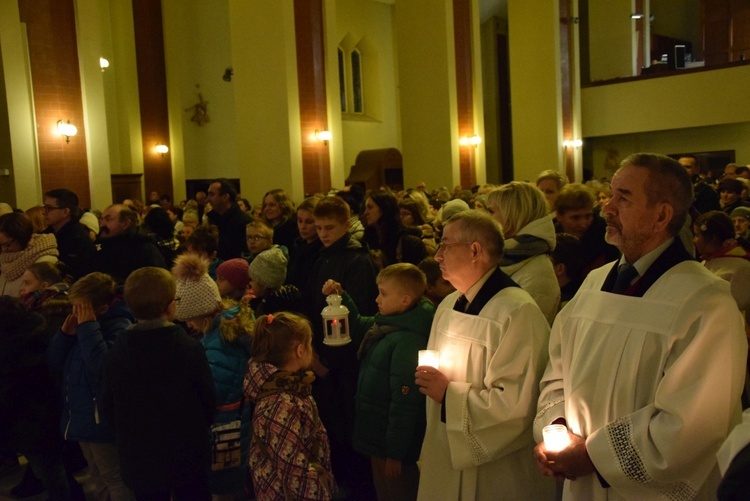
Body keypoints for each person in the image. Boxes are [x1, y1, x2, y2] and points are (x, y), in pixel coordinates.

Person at [534, 153, 748, 499]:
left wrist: (592, 455)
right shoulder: (593, 284)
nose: (607, 208)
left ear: (661, 215)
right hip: (582, 484)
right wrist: (557, 427)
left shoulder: (704, 302)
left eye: (623, 198)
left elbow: (691, 425)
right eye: (610, 195)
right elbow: (556, 373)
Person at [414, 210, 554, 500]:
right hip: (444, 449)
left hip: (495, 471)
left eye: (445, 245)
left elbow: (518, 404)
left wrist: (449, 395)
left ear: (475, 250)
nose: (437, 255)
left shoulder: (517, 311)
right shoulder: (449, 303)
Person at [323, 263, 435, 501]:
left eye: (383, 293)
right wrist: (341, 297)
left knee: (397, 492)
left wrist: (396, 453)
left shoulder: (407, 340)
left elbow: (405, 403)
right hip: (378, 438)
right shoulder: (388, 324)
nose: (376, 299)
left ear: (405, 300)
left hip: (391, 448)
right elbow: (359, 323)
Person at [101, 267, 215, 500]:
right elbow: (207, 400)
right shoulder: (188, 348)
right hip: (187, 453)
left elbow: (107, 406)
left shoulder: (116, 352)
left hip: (139, 456)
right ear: (172, 307)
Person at [305, 195, 378, 498]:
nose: (322, 233)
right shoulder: (323, 255)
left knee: (346, 428)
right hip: (324, 353)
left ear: (346, 225)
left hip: (343, 361)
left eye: (329, 227)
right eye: (318, 227)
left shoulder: (356, 260)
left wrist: (327, 363)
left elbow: (356, 315)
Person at [46, 272, 135, 501]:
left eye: (80, 309)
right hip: (82, 415)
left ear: (103, 309)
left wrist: (87, 328)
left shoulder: (119, 326)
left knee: (114, 477)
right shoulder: (81, 328)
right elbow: (54, 363)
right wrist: (65, 335)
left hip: (101, 419)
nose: (75, 314)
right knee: (97, 475)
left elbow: (102, 368)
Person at [172, 254, 253, 499]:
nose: (189, 326)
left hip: (229, 430)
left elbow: (214, 393)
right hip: (235, 425)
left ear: (203, 313)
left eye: (190, 320)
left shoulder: (219, 344)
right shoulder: (229, 323)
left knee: (230, 491)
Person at [244, 313, 334, 500]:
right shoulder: (281, 404)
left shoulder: (290, 389)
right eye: (310, 344)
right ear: (300, 350)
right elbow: (294, 469)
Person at [0, 297, 74, 500]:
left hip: (30, 420)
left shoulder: (15, 349)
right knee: (51, 469)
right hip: (44, 416)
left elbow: (11, 390)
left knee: (50, 471)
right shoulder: (41, 335)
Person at [487, 182, 560, 324]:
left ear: (513, 215)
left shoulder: (538, 270)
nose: (486, 219)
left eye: (491, 212)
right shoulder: (505, 254)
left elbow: (526, 330)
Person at [693, 211, 750, 322]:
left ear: (712, 238)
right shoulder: (708, 261)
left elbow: (732, 310)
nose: (694, 240)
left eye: (697, 235)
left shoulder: (742, 268)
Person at [554, 183, 619, 279]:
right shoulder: (551, 236)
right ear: (559, 216)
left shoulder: (604, 234)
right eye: (575, 217)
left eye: (588, 216)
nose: (583, 223)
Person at [93, 204, 166, 283]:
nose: (102, 224)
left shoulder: (144, 249)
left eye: (108, 219)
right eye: (102, 219)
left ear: (125, 223)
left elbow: (157, 284)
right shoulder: (101, 246)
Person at [0, 212, 59, 297]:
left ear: (21, 237)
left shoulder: (44, 261)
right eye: (0, 245)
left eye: (7, 244)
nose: (3, 249)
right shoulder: (6, 260)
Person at [247, 246, 302, 317]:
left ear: (264, 284)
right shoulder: (259, 302)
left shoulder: (271, 310)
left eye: (252, 280)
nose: (250, 283)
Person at [206, 179, 252, 260]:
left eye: (212, 195)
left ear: (225, 197)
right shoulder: (213, 219)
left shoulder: (244, 222)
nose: (208, 199)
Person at [287, 195, 323, 290]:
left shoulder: (321, 250)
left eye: (309, 222)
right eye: (300, 221)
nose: (303, 226)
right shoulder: (298, 244)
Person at [363, 190, 404, 267]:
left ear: (384, 209)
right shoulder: (368, 238)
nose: (365, 212)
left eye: (370, 207)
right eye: (365, 208)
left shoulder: (405, 240)